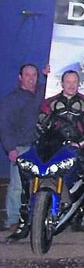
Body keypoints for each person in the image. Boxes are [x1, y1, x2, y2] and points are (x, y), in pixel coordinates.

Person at [9, 69, 84, 241]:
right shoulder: (49, 103)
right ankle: (23, 224)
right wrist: (45, 143)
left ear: (79, 83)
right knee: (28, 182)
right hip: (52, 148)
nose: (71, 85)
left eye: (74, 82)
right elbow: (40, 127)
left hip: (79, 148)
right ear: (62, 83)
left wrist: (81, 144)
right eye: (68, 81)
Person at [1, 63, 46, 239]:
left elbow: (61, 86)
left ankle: (38, 216)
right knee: (18, 186)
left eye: (34, 74)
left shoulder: (43, 91)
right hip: (21, 147)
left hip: (41, 146)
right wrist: (11, 148)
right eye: (27, 74)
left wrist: (50, 74)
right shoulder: (10, 100)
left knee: (41, 184)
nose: (31, 77)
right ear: (20, 77)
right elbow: (4, 126)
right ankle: (13, 218)